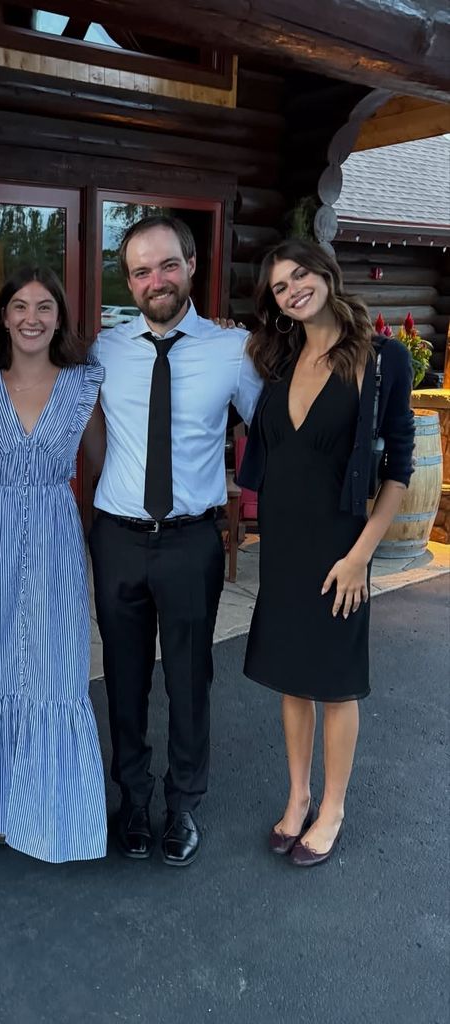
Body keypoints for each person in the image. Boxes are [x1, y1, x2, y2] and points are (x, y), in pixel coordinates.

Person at [89, 214, 263, 867]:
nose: (155, 280)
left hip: (191, 541)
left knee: (190, 677)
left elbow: (272, 430)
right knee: (123, 677)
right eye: (141, 271)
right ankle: (133, 799)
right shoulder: (105, 350)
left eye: (167, 265)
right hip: (117, 538)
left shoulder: (233, 349)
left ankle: (183, 801)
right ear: (128, 281)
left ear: (191, 266)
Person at [237, 239, 414, 866]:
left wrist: (361, 555)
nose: (294, 291)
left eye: (300, 275)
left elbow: (398, 469)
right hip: (283, 545)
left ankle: (332, 807)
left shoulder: (383, 359)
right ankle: (298, 796)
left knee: (335, 683)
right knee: (293, 679)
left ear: (326, 273)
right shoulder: (280, 358)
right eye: (280, 287)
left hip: (342, 548)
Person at [0, 267, 107, 862]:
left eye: (44, 307)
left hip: (56, 533)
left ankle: (50, 813)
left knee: (55, 670)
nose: (31, 318)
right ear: (3, 317)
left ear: (59, 317)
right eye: (19, 306)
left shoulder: (84, 383)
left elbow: (103, 463)